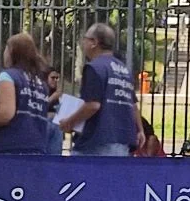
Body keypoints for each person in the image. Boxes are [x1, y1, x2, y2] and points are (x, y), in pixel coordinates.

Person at [59, 23, 140, 157]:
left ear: (94, 42)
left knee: (81, 177)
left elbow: (93, 105)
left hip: (96, 142)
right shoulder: (124, 70)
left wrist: (69, 121)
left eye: (85, 39)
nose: (83, 43)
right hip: (121, 140)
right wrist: (140, 130)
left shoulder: (94, 68)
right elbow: (133, 105)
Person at [0, 33, 54, 156]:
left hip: (8, 148)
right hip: (36, 148)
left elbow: (5, 114)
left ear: (12, 52)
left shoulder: (8, 76)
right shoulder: (41, 83)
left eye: (6, 48)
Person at [44, 67, 65, 156]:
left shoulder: (57, 93)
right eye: (53, 78)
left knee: (55, 152)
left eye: (57, 78)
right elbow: (40, 106)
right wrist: (53, 97)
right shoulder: (43, 89)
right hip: (46, 122)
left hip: (56, 123)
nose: (55, 80)